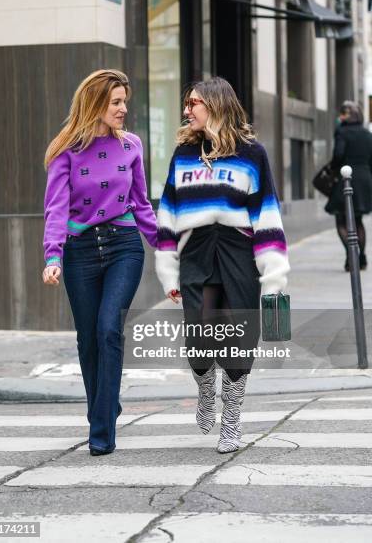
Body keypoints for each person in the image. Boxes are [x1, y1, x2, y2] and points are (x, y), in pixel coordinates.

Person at [155, 77, 290, 453]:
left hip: (238, 254)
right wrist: (168, 267)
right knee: (200, 339)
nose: (187, 111)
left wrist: (274, 275)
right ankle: (204, 388)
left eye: (194, 103)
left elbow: (267, 213)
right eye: (187, 104)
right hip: (197, 253)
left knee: (237, 340)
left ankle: (231, 420)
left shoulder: (252, 153)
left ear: (215, 105)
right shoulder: (184, 153)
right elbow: (167, 211)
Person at [42, 69, 157, 455]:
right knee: (88, 340)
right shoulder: (66, 151)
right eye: (116, 102)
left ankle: (101, 431)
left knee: (109, 329)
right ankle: (107, 404)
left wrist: (166, 247)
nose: (124, 108)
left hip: (124, 245)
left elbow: (141, 203)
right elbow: (56, 208)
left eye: (125, 101)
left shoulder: (132, 146)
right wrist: (53, 255)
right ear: (95, 104)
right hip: (80, 252)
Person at [325, 100, 372, 271]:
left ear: (348, 115)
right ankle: (362, 257)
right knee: (357, 220)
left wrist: (333, 168)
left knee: (341, 220)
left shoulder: (342, 132)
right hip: (365, 180)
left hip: (346, 179)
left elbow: (338, 155)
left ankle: (351, 257)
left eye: (343, 113)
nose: (340, 117)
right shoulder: (367, 134)